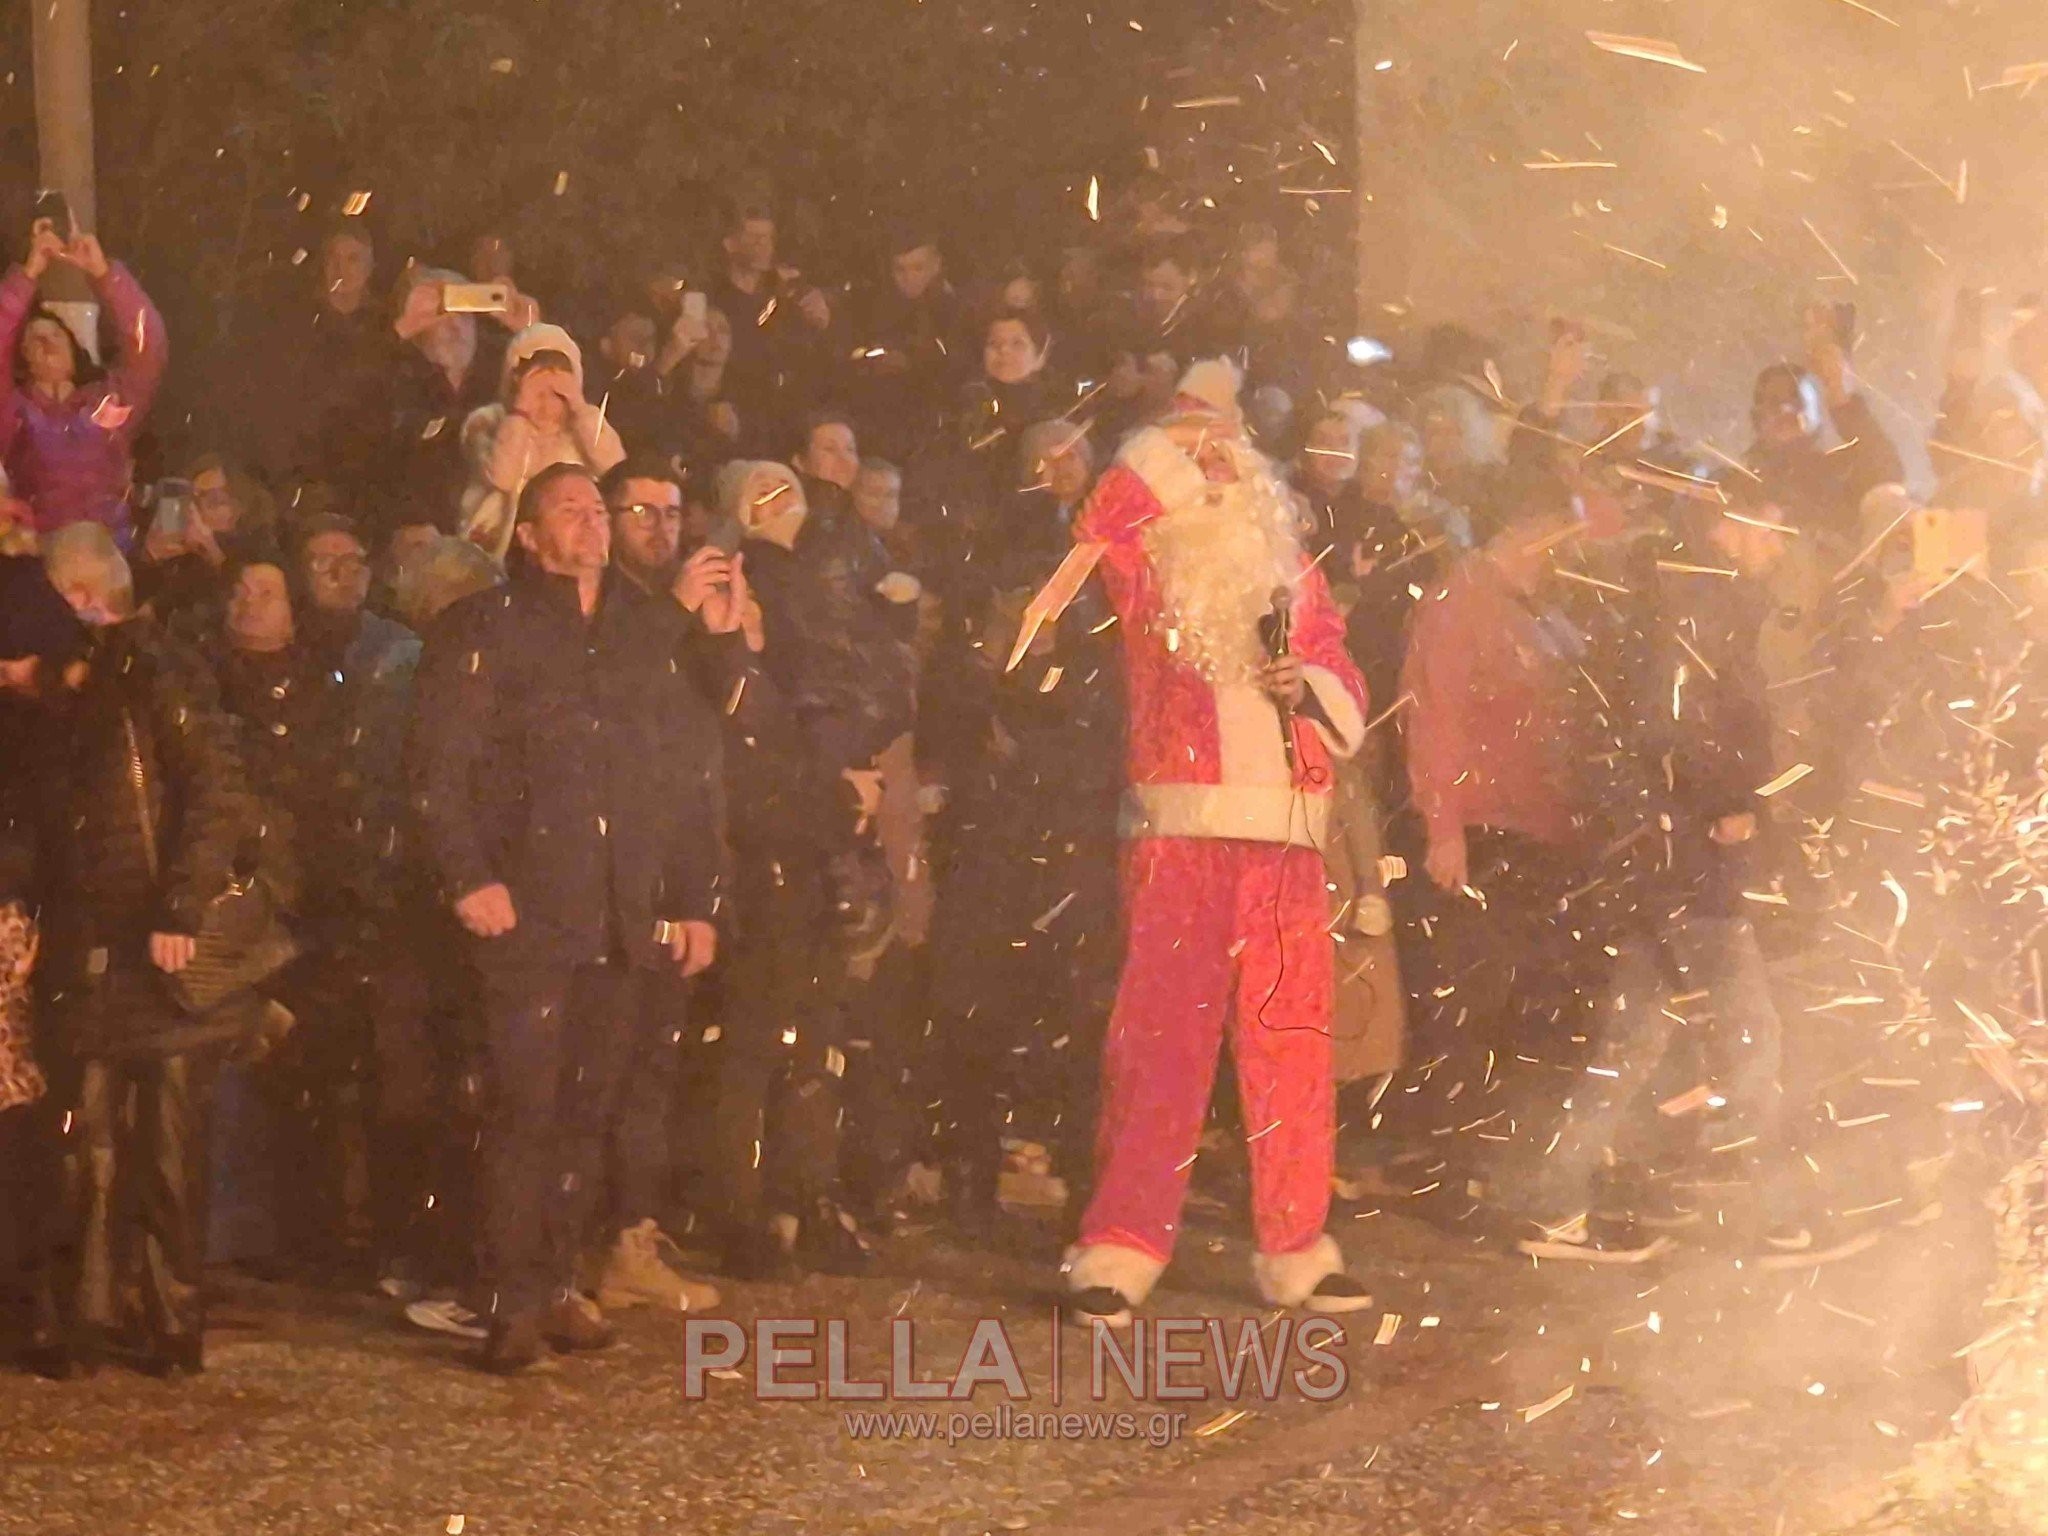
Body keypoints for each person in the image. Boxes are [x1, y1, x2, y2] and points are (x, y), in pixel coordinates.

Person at [1058, 359, 1375, 1327]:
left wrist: (1309, 693)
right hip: (1181, 836)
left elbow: (1342, 678)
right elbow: (1093, 525)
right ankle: (1120, 1243)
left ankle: (1294, 1245)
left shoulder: (1289, 569)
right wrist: (1165, 445)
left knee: (1288, 1051)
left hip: (1281, 841)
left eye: (1229, 449)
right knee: (1160, 1046)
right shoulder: (1143, 559)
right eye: (1195, 452)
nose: (1218, 469)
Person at [409, 462, 725, 1372]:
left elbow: (684, 773)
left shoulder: (639, 636)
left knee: (590, 1110)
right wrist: (467, 874)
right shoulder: (487, 629)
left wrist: (691, 900)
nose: (589, 523)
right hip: (527, 911)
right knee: (522, 1107)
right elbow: (438, 767)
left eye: (598, 507)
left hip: (620, 915)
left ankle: (555, 1280)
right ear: (528, 535)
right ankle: (506, 1296)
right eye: (567, 511)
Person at [30, 523, 261, 1376]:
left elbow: (214, 792)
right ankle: (110, 1316)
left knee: (152, 1141)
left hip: (148, 944)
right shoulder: (91, 677)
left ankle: (158, 1317)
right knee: (99, 1139)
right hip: (103, 942)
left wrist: (180, 907)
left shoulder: (150, 669)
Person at [0, 554, 87, 1377]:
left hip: (14, 928)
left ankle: (32, 1299)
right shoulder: (45, 717)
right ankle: (33, 1303)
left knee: (21, 1125)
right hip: (20, 927)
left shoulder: (34, 724)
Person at [0, 221, 167, 545]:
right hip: (42, 563)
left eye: (54, 334)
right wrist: (29, 274)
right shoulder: (13, 412)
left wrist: (104, 273)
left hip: (109, 558)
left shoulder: (107, 406)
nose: (46, 342)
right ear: (23, 360)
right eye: (34, 339)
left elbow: (149, 345)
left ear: (74, 351)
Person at [459, 324, 626, 561]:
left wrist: (579, 409)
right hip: (499, 549)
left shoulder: (585, 429)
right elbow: (502, 477)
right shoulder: (487, 422)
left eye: (557, 394)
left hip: (566, 549)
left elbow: (616, 471)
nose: (546, 405)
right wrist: (521, 413)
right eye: (538, 394)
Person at [1744, 304, 1905, 547]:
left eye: (1795, 399)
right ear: (1756, 417)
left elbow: (1885, 473)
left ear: (1818, 413)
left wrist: (1842, 397)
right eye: (1774, 402)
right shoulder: (1738, 487)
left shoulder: (1841, 476)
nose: (1786, 410)